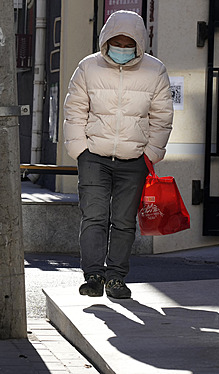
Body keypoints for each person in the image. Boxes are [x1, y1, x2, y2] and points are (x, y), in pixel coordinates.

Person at [63, 11, 173, 299]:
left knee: (124, 221)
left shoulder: (155, 70)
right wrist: (79, 150)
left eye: (128, 44)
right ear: (105, 40)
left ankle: (116, 278)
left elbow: (162, 116)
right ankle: (94, 276)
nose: (121, 49)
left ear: (139, 43)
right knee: (94, 216)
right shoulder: (88, 67)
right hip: (94, 157)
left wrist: (150, 153)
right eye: (116, 42)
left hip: (134, 159)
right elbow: (74, 110)